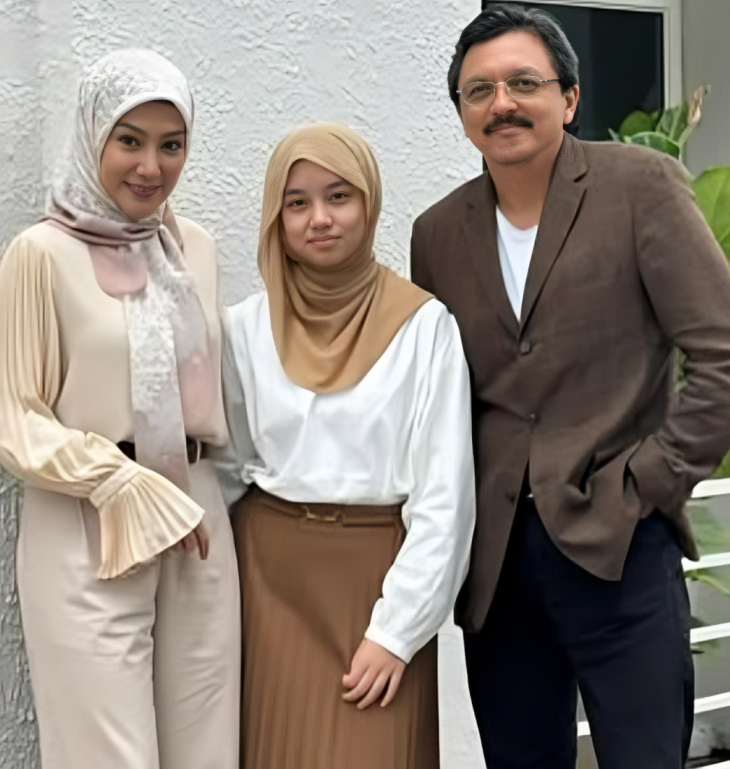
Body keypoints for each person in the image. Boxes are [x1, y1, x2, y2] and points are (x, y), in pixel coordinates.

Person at [410, 5, 730, 769]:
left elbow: (720, 351)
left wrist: (651, 481)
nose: (502, 103)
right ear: (461, 113)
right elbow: (437, 391)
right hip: (496, 567)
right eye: (480, 90)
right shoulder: (437, 233)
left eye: (524, 82)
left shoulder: (640, 187)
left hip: (621, 543)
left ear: (570, 97)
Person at [0, 50, 240, 769]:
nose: (150, 166)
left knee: (207, 746)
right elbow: (15, 415)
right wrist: (114, 477)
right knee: (107, 756)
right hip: (88, 519)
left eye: (172, 145)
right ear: (92, 136)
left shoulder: (193, 248)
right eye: (129, 140)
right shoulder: (40, 255)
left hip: (196, 515)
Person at [219, 122, 475, 769]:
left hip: (376, 583)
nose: (320, 218)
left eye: (339, 196)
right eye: (297, 202)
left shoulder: (424, 327)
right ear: (276, 217)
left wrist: (397, 631)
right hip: (265, 582)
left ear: (370, 201)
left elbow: (445, 498)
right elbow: (225, 470)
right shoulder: (245, 329)